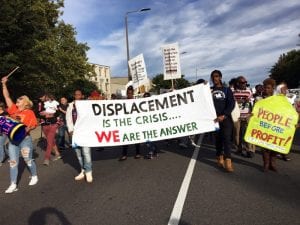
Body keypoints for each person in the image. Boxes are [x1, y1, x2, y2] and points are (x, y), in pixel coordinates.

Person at [2, 75, 38, 193]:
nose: (18, 98)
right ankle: (13, 184)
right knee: (13, 162)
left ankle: (34, 175)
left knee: (28, 160)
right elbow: (6, 96)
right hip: (13, 141)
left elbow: (33, 125)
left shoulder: (29, 112)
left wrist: (28, 128)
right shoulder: (13, 110)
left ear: (26, 102)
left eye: (21, 98)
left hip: (25, 140)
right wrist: (4, 84)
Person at [210, 70, 235, 172]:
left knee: (227, 139)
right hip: (215, 120)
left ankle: (228, 161)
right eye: (213, 77)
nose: (214, 78)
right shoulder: (209, 90)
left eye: (216, 76)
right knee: (218, 140)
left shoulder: (226, 90)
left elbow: (231, 104)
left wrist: (224, 115)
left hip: (226, 119)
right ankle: (219, 157)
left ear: (220, 77)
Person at [66, 90, 93, 183]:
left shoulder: (86, 105)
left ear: (82, 96)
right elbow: (68, 119)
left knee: (86, 152)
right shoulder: (70, 106)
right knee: (78, 154)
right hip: (75, 133)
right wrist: (70, 130)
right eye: (76, 94)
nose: (77, 96)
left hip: (84, 133)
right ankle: (83, 170)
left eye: (79, 94)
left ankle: (89, 171)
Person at [232, 76, 255, 158]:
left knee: (248, 133)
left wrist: (251, 113)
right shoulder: (233, 92)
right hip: (236, 116)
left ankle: (249, 150)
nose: (244, 84)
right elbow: (231, 102)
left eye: (245, 82)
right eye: (242, 82)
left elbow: (251, 103)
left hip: (247, 115)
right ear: (238, 83)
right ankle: (239, 149)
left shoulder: (248, 92)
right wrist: (239, 101)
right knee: (236, 133)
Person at [119, 86, 141, 161]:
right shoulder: (123, 103)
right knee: (126, 139)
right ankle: (124, 154)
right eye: (128, 93)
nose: (130, 95)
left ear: (133, 93)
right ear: (126, 93)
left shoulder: (136, 102)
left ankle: (138, 153)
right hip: (127, 124)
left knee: (136, 140)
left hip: (135, 123)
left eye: (131, 93)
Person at [261, 78, 278, 172]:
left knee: (274, 144)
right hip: (263, 125)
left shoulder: (278, 99)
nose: (266, 89)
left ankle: (272, 163)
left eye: (268, 88)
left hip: (275, 125)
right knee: (264, 146)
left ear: (272, 88)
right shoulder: (259, 99)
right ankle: (266, 163)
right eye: (265, 88)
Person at [40, 94, 61, 166]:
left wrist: (49, 114)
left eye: (48, 98)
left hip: (53, 124)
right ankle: (57, 153)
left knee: (49, 141)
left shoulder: (56, 103)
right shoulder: (41, 104)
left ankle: (47, 158)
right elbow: (38, 113)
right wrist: (42, 114)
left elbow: (58, 112)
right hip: (44, 124)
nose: (42, 98)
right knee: (51, 140)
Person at [0, 102, 8, 166]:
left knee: (0, 145)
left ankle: (1, 160)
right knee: (2, 145)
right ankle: (10, 156)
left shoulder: (5, 113)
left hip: (3, 132)